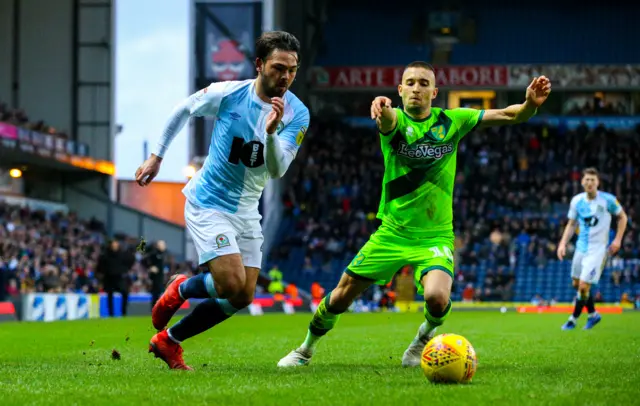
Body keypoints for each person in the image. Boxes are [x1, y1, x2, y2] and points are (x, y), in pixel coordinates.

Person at [277, 61, 551, 368]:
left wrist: (529, 104)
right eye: (410, 82)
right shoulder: (393, 123)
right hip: (392, 232)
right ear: (400, 90)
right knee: (340, 297)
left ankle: (422, 339)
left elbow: (511, 114)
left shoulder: (453, 121)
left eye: (423, 83)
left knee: (437, 297)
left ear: (434, 92)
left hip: (434, 235)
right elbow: (387, 119)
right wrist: (382, 106)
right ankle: (305, 349)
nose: (416, 88)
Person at [134, 31, 310, 370]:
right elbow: (184, 109)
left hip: (247, 210)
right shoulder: (230, 94)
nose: (285, 76)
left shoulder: (297, 114)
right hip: (209, 202)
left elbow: (276, 170)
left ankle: (169, 341)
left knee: (242, 295)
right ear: (259, 65)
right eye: (278, 67)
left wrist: (272, 133)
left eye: (292, 69)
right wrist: (157, 156)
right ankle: (183, 287)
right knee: (229, 283)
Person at [556, 167, 627, 330]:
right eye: (587, 180)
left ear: (598, 183)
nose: (589, 183)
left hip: (598, 250)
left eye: (592, 180)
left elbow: (622, 217)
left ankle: (573, 319)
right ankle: (593, 314)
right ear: (582, 182)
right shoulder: (577, 201)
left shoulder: (608, 200)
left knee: (583, 286)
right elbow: (571, 223)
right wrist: (562, 243)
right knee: (576, 284)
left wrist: (617, 239)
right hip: (581, 248)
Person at [96, 239, 135, 317]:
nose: (114, 245)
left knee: (125, 293)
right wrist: (101, 275)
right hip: (109, 278)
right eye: (113, 244)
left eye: (115, 244)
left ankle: (123, 312)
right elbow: (99, 267)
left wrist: (126, 269)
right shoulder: (105, 255)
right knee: (109, 296)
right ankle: (111, 314)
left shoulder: (123, 254)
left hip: (120, 278)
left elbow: (131, 260)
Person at [144, 240, 168, 309]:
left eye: (163, 245)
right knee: (156, 294)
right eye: (161, 245)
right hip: (156, 277)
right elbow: (145, 260)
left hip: (164, 277)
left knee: (162, 294)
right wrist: (150, 268)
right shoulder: (154, 254)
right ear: (158, 246)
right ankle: (155, 309)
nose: (163, 246)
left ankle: (161, 310)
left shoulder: (166, 254)